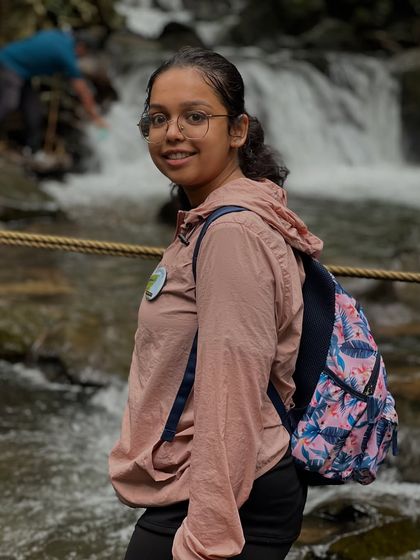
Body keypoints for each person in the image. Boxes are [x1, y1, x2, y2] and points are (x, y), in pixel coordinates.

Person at [109, 46, 323, 560]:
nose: (172, 133)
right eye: (157, 119)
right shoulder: (209, 219)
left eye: (195, 116)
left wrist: (207, 538)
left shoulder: (232, 234)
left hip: (226, 494)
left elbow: (233, 392)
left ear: (238, 131)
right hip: (211, 481)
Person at [0, 28, 107, 157]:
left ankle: (32, 150)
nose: (81, 57)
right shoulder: (66, 55)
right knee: (9, 103)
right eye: (85, 53)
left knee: (33, 111)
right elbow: (82, 90)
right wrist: (96, 118)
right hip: (9, 64)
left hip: (23, 73)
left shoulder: (60, 36)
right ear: (81, 47)